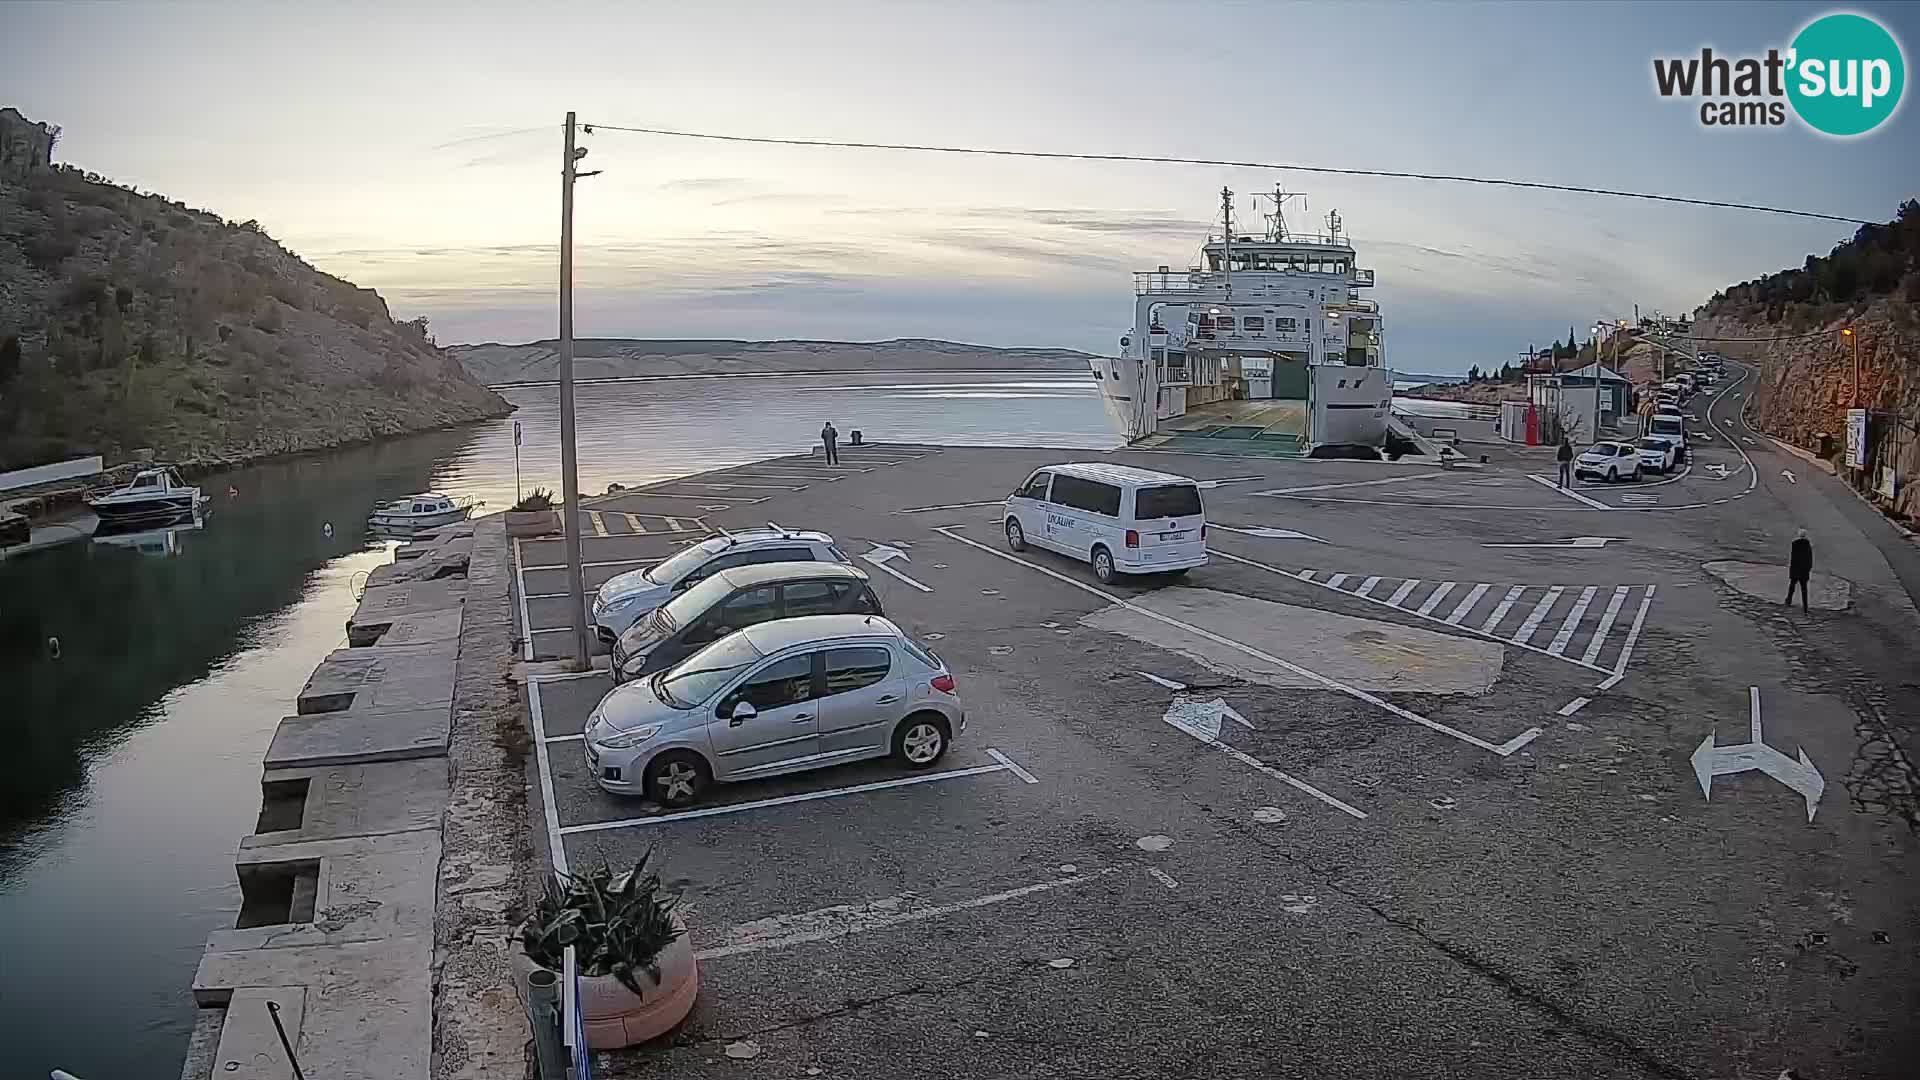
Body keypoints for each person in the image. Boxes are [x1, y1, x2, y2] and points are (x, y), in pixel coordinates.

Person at [1787, 528, 1813, 612]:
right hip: (1804, 571)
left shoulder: (1794, 543)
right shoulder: (1807, 544)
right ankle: (1805, 606)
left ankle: (1788, 601)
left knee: (1792, 586)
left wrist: (1791, 569)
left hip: (1796, 569)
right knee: (1804, 589)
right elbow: (1809, 558)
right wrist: (1808, 568)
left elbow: (1793, 558)